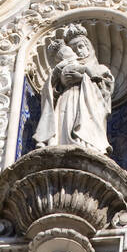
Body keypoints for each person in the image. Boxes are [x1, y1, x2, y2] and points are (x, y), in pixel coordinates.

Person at [33, 24, 114, 155]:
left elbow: (105, 91)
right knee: (65, 121)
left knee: (86, 127)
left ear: (89, 48)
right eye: (73, 49)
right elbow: (49, 91)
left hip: (90, 105)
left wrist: (83, 78)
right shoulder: (64, 67)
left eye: (81, 47)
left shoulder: (101, 69)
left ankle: (88, 146)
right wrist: (58, 79)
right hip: (66, 99)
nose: (78, 52)